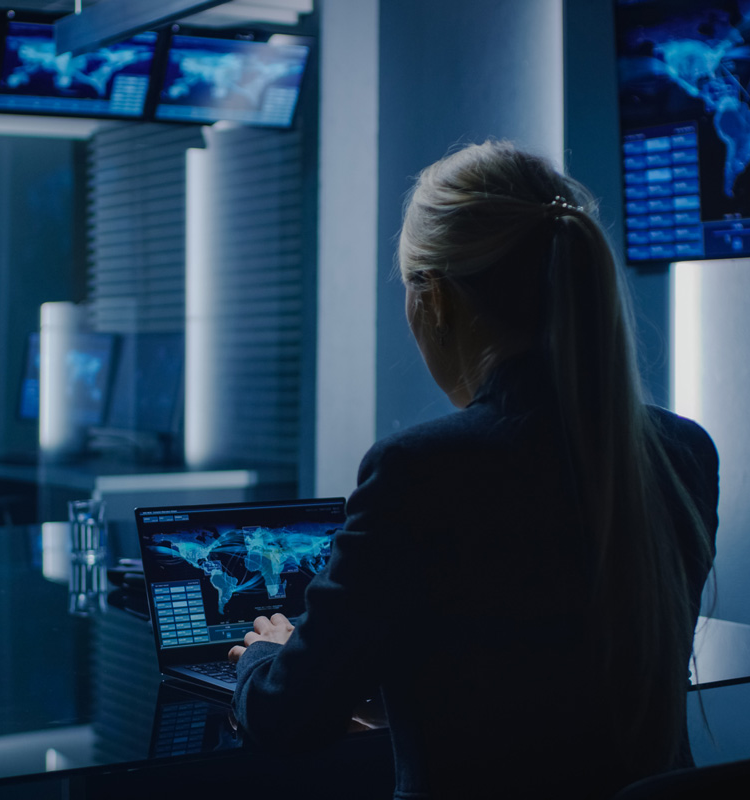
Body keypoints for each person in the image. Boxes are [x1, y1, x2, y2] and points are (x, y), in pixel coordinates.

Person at [227, 142, 719, 798]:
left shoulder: (418, 472)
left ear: (435, 300)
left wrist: (267, 655)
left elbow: (288, 719)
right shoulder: (684, 452)